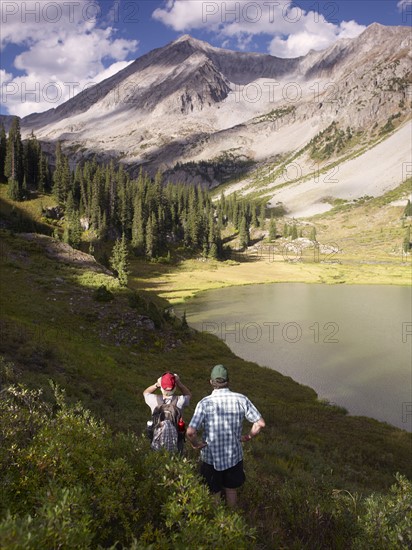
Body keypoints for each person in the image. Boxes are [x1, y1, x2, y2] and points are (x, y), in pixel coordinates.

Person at [187, 364, 265, 508]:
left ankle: (218, 521)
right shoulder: (241, 399)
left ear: (211, 382)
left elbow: (190, 432)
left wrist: (195, 444)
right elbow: (260, 423)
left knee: (214, 491)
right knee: (231, 489)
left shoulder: (204, 403)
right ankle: (232, 519)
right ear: (228, 381)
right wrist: (248, 436)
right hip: (234, 456)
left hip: (210, 458)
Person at [143, 372, 192, 452]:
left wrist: (156, 384)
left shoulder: (153, 400)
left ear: (161, 387)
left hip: (156, 440)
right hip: (176, 441)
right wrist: (179, 382)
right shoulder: (180, 400)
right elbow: (188, 395)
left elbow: (145, 393)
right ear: (174, 387)